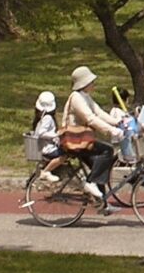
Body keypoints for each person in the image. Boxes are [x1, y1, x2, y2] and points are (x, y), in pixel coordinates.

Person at [60, 66, 123, 201]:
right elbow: (90, 118)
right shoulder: (76, 98)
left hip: (81, 139)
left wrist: (117, 122)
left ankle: (102, 203)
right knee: (107, 151)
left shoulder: (85, 96)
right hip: (75, 140)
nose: (93, 84)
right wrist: (112, 130)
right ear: (84, 83)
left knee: (99, 166)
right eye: (91, 82)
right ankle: (90, 184)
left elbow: (99, 112)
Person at [29, 91, 61, 157]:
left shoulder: (41, 118)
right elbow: (42, 133)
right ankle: (49, 167)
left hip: (45, 147)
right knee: (64, 154)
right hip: (48, 148)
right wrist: (56, 135)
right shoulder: (48, 118)